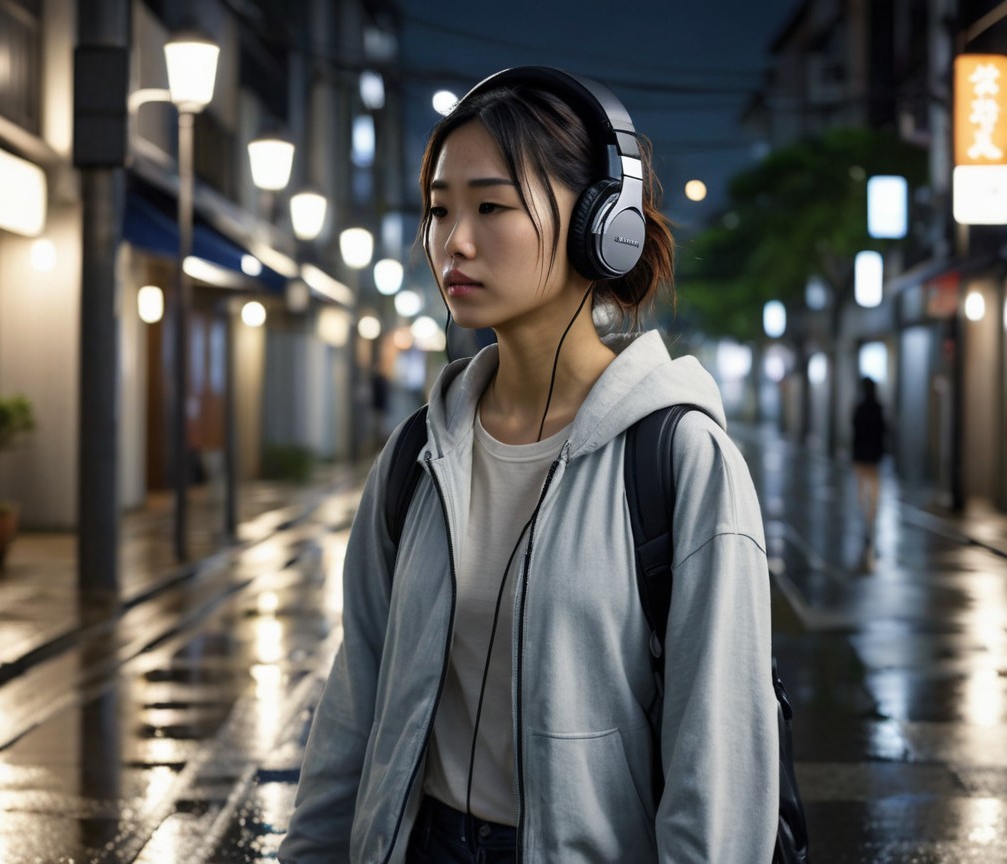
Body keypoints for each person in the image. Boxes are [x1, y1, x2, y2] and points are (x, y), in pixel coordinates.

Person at [278, 66, 779, 863]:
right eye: (440, 209)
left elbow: (717, 769)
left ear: (599, 226)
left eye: (491, 206)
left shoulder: (679, 461)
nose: (454, 241)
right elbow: (354, 709)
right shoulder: (418, 454)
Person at [852, 376, 886, 548]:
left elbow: (855, 431)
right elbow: (883, 431)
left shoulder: (860, 407)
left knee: (862, 490)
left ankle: (866, 516)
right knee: (873, 490)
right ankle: (870, 517)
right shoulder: (878, 408)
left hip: (861, 456)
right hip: (873, 457)